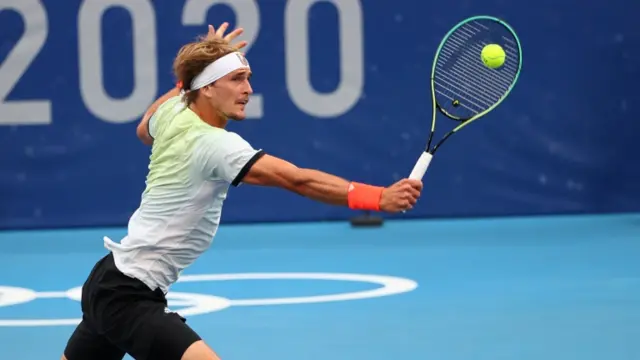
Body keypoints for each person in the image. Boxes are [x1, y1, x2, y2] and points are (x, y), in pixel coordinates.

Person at [61, 23, 423, 360]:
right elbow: (296, 179)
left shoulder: (174, 111)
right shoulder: (216, 145)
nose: (248, 90)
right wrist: (378, 197)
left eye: (247, 78)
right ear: (206, 87)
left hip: (108, 281)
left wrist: (184, 82)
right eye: (236, 79)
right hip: (127, 295)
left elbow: (144, 128)